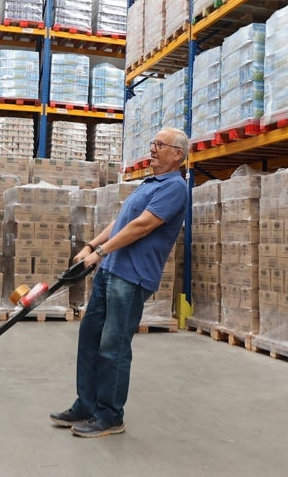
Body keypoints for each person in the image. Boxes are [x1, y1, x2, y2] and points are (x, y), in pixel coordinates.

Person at [50, 127, 190, 438]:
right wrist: (91, 247)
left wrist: (100, 251)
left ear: (177, 154)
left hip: (131, 277)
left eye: (160, 145)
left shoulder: (174, 188)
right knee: (90, 338)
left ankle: (110, 416)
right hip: (111, 271)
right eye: (152, 143)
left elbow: (142, 226)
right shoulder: (149, 183)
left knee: (113, 346)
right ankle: (86, 405)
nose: (152, 149)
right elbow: (122, 221)